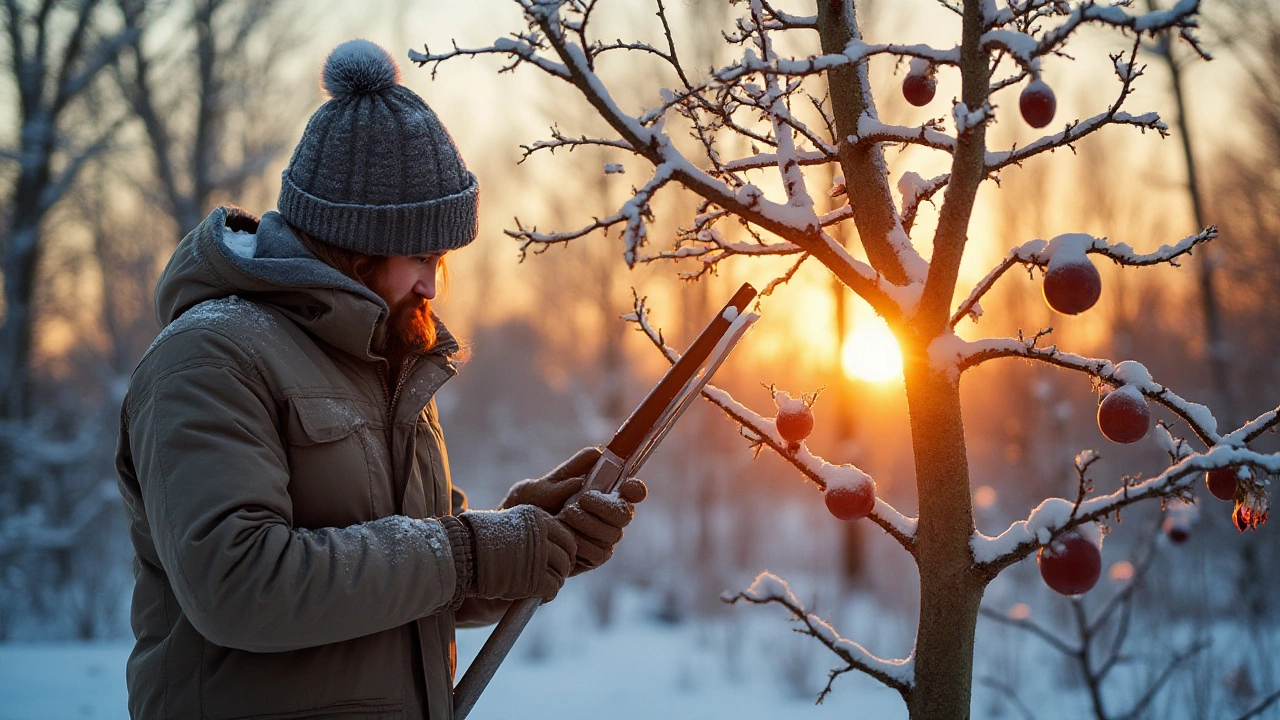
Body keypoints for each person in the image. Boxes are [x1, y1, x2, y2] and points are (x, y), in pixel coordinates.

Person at [115, 39, 646, 720]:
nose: (432, 281)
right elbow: (238, 584)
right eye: (420, 254)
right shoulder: (210, 356)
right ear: (354, 243)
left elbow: (412, 586)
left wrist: (530, 537)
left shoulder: (383, 363)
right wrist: (468, 551)